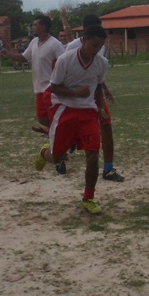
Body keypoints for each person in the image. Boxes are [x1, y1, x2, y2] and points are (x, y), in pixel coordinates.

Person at [34, 25, 109, 214]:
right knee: (57, 157)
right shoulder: (65, 60)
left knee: (92, 156)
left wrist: (100, 108)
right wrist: (75, 93)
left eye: (100, 47)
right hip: (65, 109)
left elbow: (98, 87)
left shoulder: (101, 63)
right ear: (84, 40)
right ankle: (45, 153)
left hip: (88, 112)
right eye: (94, 45)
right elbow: (54, 88)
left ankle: (88, 198)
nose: (96, 50)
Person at [62, 13, 124, 182]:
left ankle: (109, 168)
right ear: (86, 32)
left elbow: (97, 73)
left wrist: (105, 88)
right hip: (76, 100)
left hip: (95, 96)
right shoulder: (72, 47)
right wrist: (73, 96)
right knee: (68, 133)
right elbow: (66, 75)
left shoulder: (100, 44)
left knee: (107, 127)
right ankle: (57, 154)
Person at [1, 15, 65, 137]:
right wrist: (8, 54)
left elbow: (65, 63)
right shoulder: (34, 42)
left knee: (48, 117)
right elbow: (23, 58)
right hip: (39, 87)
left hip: (51, 88)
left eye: (35, 25)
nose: (33, 27)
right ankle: (62, 135)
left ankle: (60, 140)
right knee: (42, 118)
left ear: (44, 27)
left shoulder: (55, 44)